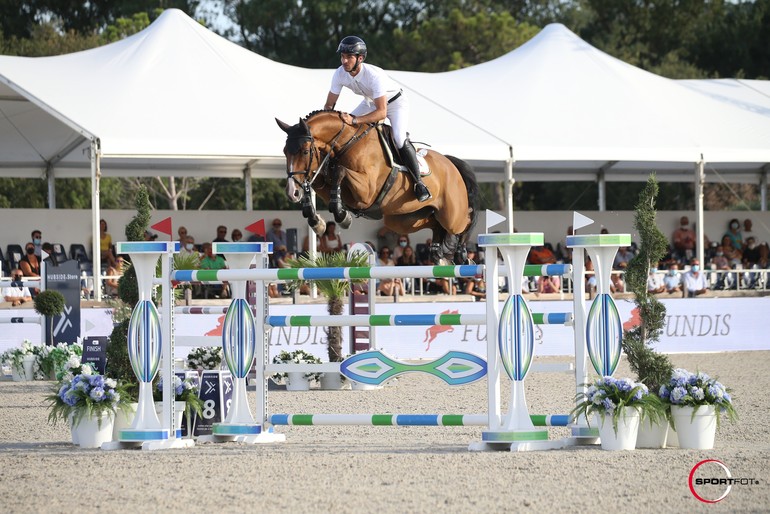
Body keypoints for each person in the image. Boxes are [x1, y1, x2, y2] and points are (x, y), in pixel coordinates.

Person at [324, 35, 431, 202]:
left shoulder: (374, 75)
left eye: (349, 57)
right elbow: (329, 106)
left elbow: (382, 113)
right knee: (346, 130)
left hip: (395, 104)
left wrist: (354, 120)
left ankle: (419, 183)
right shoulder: (339, 74)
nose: (344, 61)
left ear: (360, 58)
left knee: (399, 138)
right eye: (342, 56)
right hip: (370, 103)